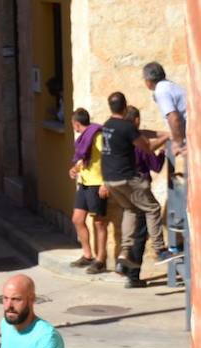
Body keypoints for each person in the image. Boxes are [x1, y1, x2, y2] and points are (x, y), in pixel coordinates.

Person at [99, 91, 173, 286]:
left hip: (110, 179)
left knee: (131, 209)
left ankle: (125, 251)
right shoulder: (126, 127)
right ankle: (160, 250)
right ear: (125, 106)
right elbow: (147, 146)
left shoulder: (108, 126)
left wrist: (163, 133)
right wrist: (167, 138)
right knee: (153, 208)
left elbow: (141, 134)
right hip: (127, 177)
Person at [142, 61, 188, 255]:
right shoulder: (170, 86)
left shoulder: (161, 90)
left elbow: (174, 118)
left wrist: (178, 142)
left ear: (148, 81)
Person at [68, 108, 108, 273]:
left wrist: (106, 183)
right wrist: (75, 169)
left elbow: (106, 157)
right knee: (77, 219)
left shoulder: (97, 136)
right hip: (84, 182)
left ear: (76, 124)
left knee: (99, 223)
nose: (73, 127)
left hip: (97, 184)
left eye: (73, 124)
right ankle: (87, 255)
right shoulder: (84, 138)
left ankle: (101, 259)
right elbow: (86, 159)